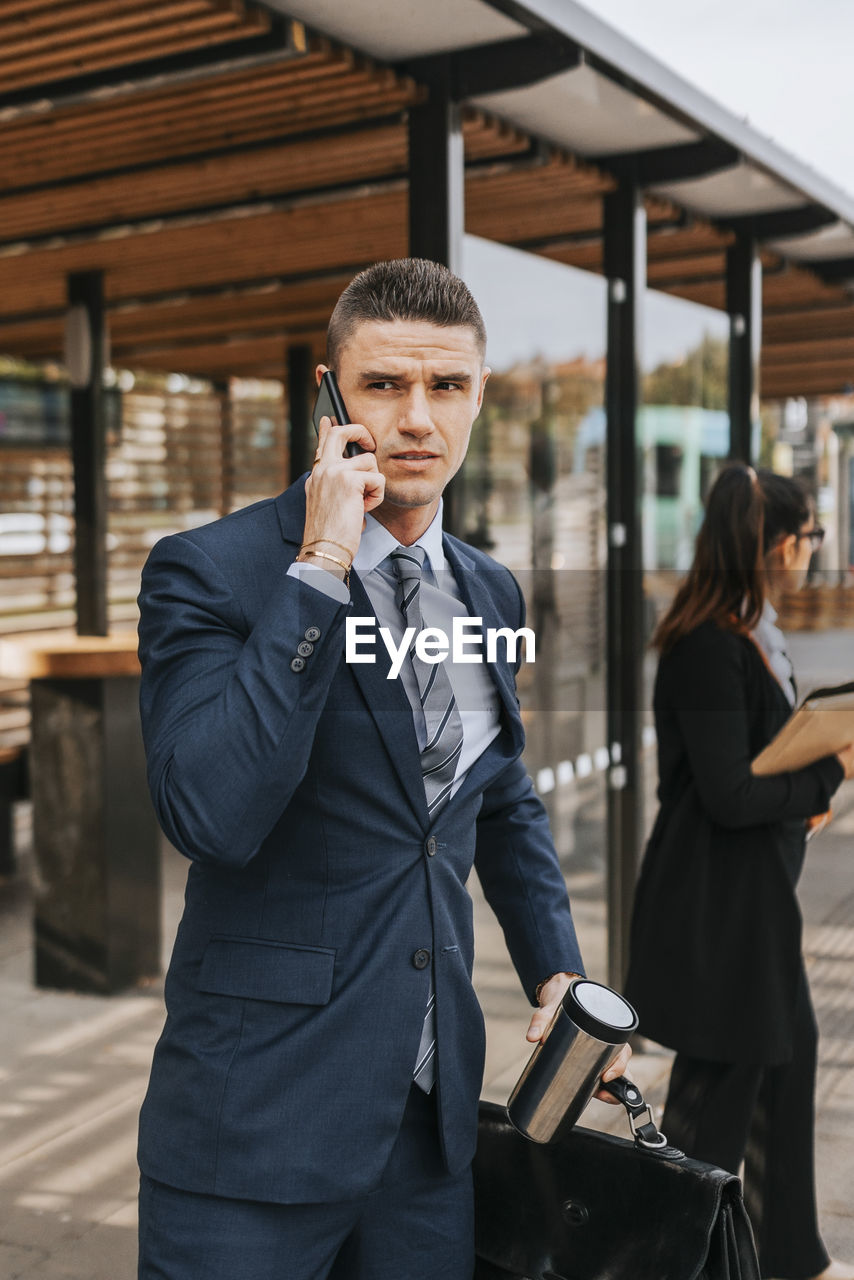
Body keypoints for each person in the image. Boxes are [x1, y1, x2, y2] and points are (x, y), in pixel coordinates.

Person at [135, 257, 630, 1280]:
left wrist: (557, 963)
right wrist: (317, 567)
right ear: (329, 393)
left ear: (479, 397)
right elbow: (211, 813)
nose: (416, 416)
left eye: (445, 386)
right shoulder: (209, 570)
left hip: (427, 1129)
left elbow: (500, 796)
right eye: (384, 384)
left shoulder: (489, 591)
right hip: (252, 1126)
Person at [625, 464, 854, 1280]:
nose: (808, 555)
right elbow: (725, 793)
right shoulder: (708, 647)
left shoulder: (748, 630)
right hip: (717, 911)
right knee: (712, 1112)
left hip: (753, 904)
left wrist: (802, 780)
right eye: (806, 539)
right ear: (775, 545)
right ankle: (665, 1262)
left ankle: (793, 1256)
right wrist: (827, 775)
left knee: (787, 1069)